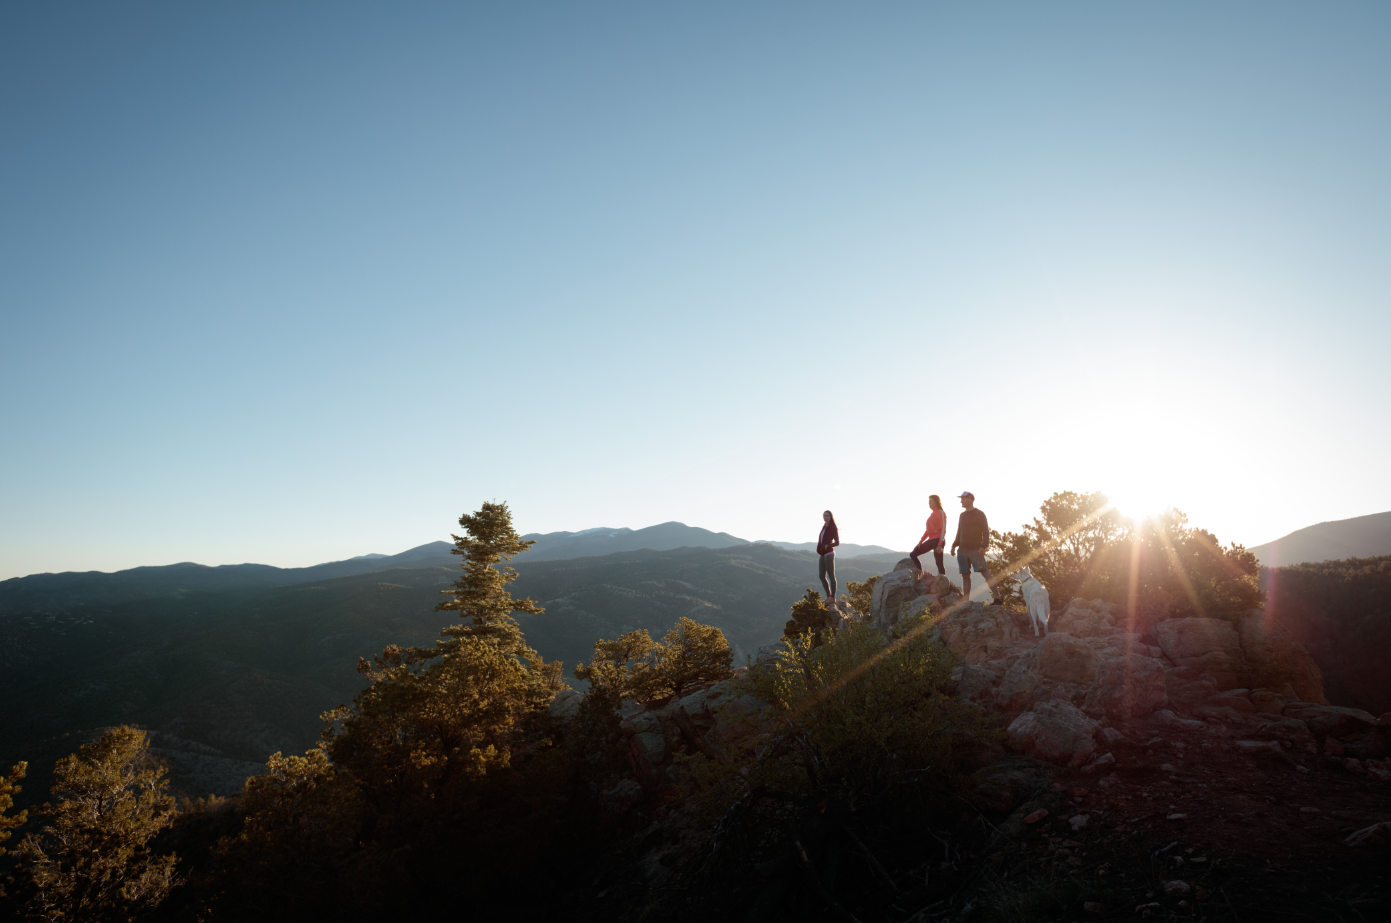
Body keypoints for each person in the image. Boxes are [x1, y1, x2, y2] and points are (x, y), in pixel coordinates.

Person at [950, 491, 1003, 606]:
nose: (961, 501)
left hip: (975, 550)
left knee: (985, 573)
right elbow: (959, 531)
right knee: (965, 576)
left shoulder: (980, 514)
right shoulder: (962, 515)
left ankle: (998, 599)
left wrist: (983, 546)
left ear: (970, 499)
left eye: (963, 499)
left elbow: (986, 531)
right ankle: (966, 602)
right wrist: (954, 545)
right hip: (962, 550)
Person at [909, 494, 948, 577]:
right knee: (913, 554)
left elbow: (943, 529)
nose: (929, 503)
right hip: (931, 540)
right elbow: (927, 531)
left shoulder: (941, 513)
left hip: (938, 540)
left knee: (939, 562)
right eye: (928, 501)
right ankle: (920, 575)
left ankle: (942, 581)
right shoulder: (932, 514)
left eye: (930, 501)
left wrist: (940, 544)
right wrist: (920, 541)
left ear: (936, 502)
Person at [816, 510, 840, 599]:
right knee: (821, 576)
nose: (825, 517)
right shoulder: (824, 528)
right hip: (822, 554)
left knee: (831, 575)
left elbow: (837, 543)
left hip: (829, 554)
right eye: (824, 516)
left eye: (827, 516)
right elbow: (821, 541)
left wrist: (828, 545)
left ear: (831, 517)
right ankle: (828, 596)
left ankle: (833, 597)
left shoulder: (833, 527)